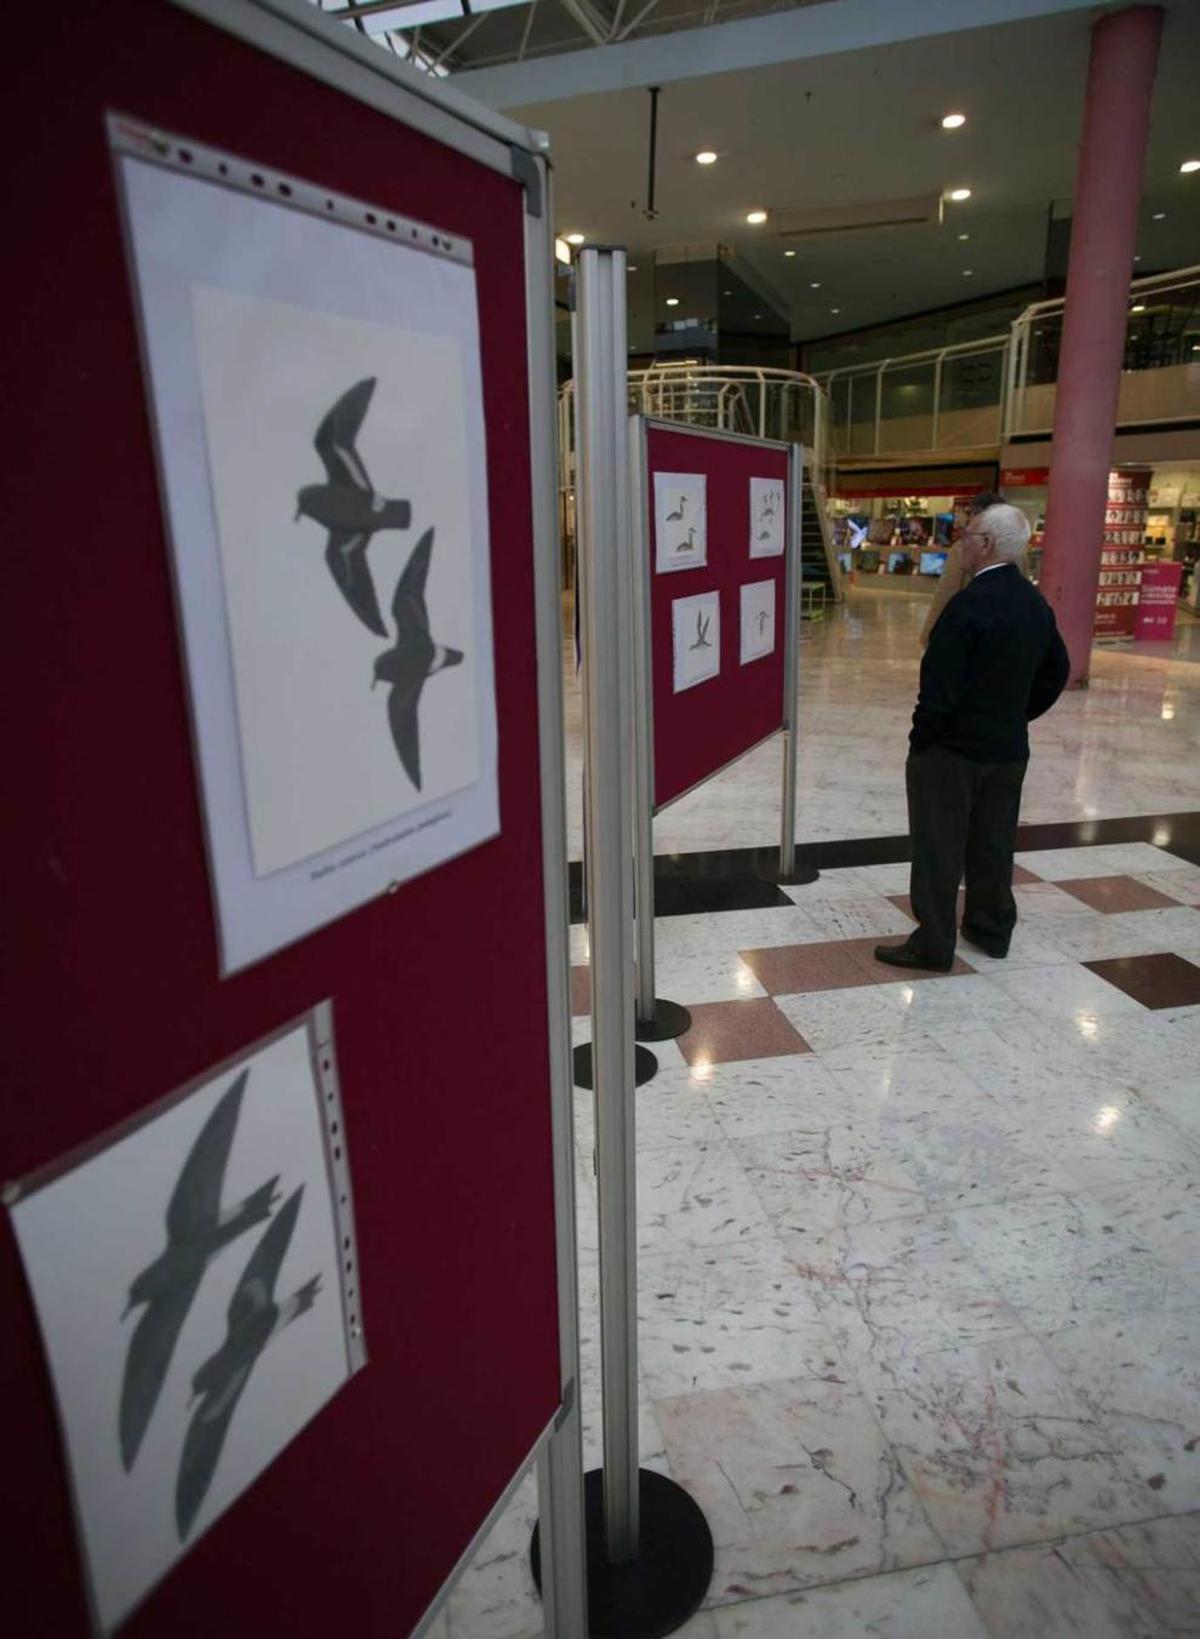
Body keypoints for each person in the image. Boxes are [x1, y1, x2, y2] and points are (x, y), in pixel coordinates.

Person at [875, 503, 1070, 972]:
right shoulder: (1034, 603)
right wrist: (1015, 714)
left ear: (985, 545)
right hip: (1007, 748)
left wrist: (923, 739)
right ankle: (991, 928)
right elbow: (1056, 670)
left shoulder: (967, 606)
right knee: (993, 842)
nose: (960, 542)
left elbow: (938, 687)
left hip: (953, 752)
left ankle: (933, 943)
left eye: (967, 535)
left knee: (939, 847)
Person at [919, 490, 1010, 647]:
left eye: (971, 513)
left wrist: (929, 633)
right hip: (1004, 632)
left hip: (970, 629)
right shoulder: (1017, 551)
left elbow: (947, 593)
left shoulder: (963, 548)